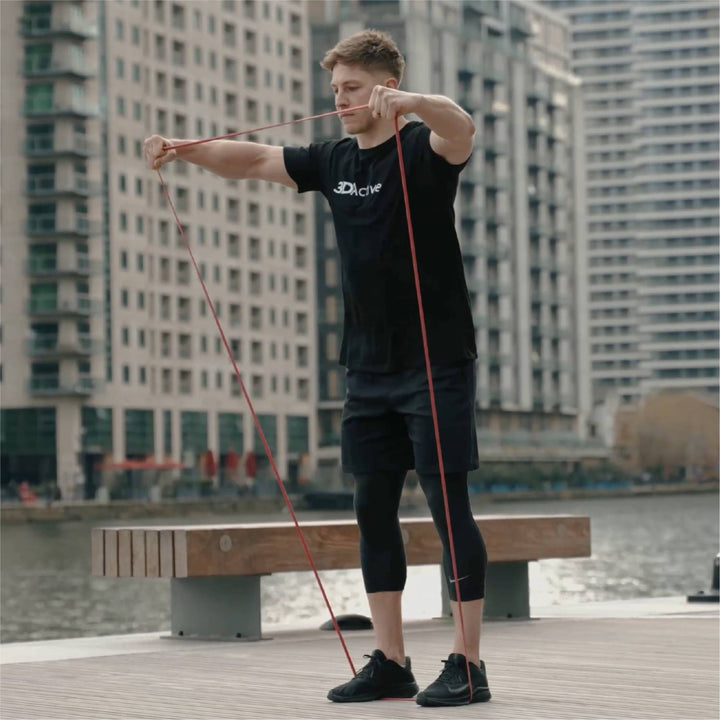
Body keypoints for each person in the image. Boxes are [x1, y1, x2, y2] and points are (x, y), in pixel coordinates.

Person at [145, 29, 490, 708]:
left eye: (353, 89)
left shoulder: (424, 151)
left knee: (451, 510)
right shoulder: (332, 159)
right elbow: (249, 159)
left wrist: (414, 103)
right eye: (335, 90)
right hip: (366, 370)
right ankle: (391, 660)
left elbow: (462, 126)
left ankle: (469, 663)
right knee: (371, 510)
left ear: (386, 87)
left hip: (436, 363)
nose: (340, 101)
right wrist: (183, 152)